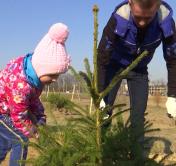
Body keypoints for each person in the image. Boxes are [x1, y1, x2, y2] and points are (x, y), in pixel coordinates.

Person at [97, 0, 176, 143]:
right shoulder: (118, 18)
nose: (142, 23)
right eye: (138, 17)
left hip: (139, 69)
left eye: (147, 18)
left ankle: (136, 157)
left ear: (157, 7)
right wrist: (99, 92)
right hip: (114, 67)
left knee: (138, 117)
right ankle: (101, 151)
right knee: (104, 113)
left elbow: (173, 59)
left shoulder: (165, 22)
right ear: (130, 3)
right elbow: (102, 55)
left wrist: (173, 95)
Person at [0, 23, 70, 166]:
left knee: (5, 142)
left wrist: (40, 117)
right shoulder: (21, 85)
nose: (55, 79)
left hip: (11, 110)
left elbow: (33, 100)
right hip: (3, 112)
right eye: (52, 75)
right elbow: (19, 115)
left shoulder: (35, 79)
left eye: (57, 75)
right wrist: (36, 132)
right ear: (41, 68)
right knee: (21, 140)